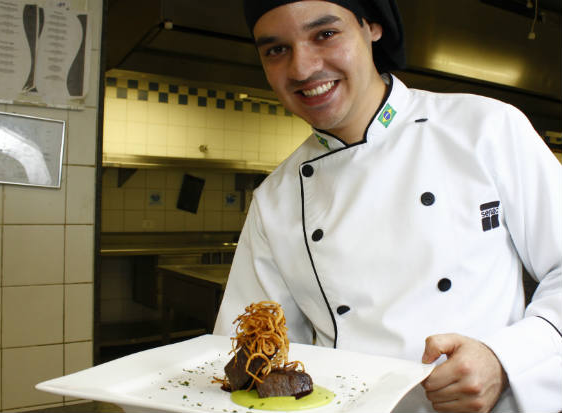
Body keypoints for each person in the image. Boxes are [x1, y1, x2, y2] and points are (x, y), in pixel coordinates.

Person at [213, 1, 562, 412]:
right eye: (276, 50)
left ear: (372, 27)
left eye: (325, 34)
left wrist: (504, 359)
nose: (303, 69)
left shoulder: (485, 128)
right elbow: (248, 354)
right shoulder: (275, 198)